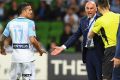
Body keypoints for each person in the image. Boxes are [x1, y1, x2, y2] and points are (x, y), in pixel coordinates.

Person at [51, 1, 104, 80]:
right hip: (88, 53)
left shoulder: (101, 19)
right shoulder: (83, 20)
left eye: (91, 8)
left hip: (99, 53)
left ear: (96, 9)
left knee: (101, 78)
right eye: (87, 8)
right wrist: (63, 47)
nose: (89, 10)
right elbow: (76, 35)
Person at [0, 2, 46, 80]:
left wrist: (2, 48)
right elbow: (32, 40)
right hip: (27, 59)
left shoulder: (10, 23)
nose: (31, 12)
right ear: (23, 11)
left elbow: (1, 39)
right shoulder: (30, 23)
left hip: (15, 58)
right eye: (29, 10)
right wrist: (39, 50)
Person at [88, 0, 120, 79]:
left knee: (106, 77)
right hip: (119, 48)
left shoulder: (100, 20)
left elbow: (90, 36)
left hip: (110, 50)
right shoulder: (118, 16)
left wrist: (98, 32)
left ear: (98, 8)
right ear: (109, 6)